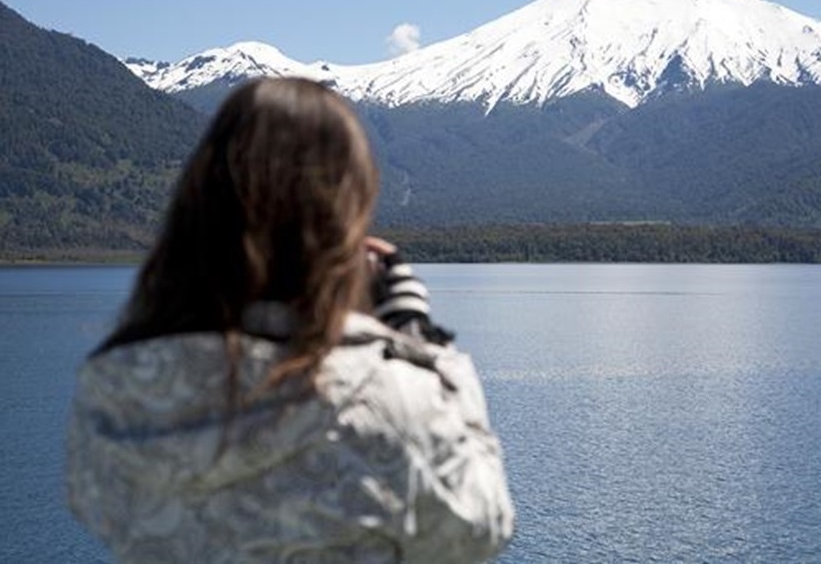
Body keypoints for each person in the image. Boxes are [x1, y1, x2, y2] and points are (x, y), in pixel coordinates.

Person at [66, 77, 514, 563]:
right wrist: (414, 337)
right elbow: (480, 527)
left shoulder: (111, 395)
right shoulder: (388, 401)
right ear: (341, 223)